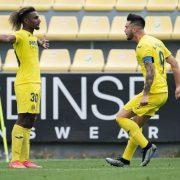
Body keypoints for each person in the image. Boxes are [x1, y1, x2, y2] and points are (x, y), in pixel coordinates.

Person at [106, 13, 180, 167]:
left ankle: (147, 147)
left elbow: (150, 71)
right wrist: (178, 86)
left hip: (153, 93)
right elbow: (174, 63)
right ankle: (125, 159)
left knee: (120, 118)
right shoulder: (156, 41)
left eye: (126, 27)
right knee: (136, 126)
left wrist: (145, 95)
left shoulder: (143, 46)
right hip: (162, 92)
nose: (124, 30)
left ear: (134, 28)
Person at [0, 7, 49, 168]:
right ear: (26, 21)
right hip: (25, 82)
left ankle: (25, 160)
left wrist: (40, 42)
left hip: (35, 82)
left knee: (30, 120)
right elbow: (8, 37)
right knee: (23, 118)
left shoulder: (31, 37)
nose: (38, 20)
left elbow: (32, 42)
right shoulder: (20, 35)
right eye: (35, 18)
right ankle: (14, 160)